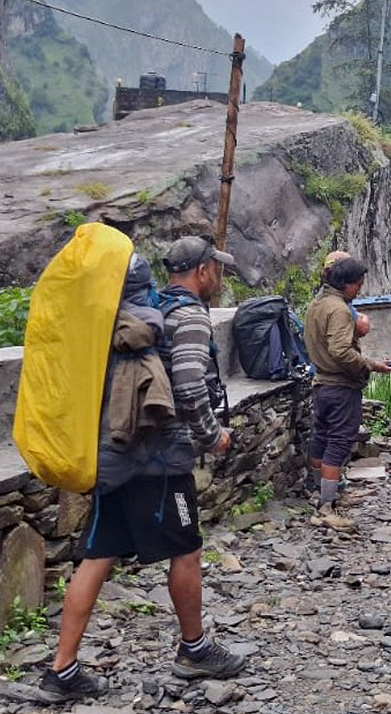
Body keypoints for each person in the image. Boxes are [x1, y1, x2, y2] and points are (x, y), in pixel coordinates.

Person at [40, 239, 243, 702]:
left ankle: (63, 669)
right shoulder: (189, 316)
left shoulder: (134, 312)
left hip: (112, 452)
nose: (220, 276)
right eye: (217, 268)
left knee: (97, 556)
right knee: (187, 549)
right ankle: (194, 650)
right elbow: (190, 389)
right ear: (203, 271)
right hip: (158, 462)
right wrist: (214, 437)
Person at [303, 257, 391, 529]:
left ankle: (318, 491)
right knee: (339, 442)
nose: (359, 290)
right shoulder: (340, 310)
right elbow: (341, 351)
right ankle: (327, 504)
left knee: (320, 437)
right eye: (358, 284)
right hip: (340, 386)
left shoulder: (317, 304)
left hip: (320, 383)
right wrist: (372, 365)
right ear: (346, 284)